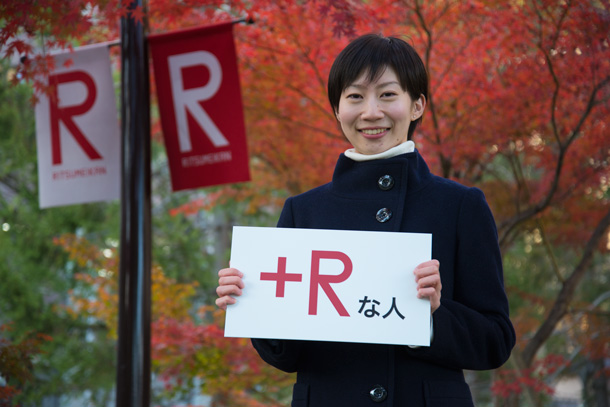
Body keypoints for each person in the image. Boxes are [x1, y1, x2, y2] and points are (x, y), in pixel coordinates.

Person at [216, 33, 515, 407]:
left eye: (388, 94)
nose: (371, 112)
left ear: (418, 104)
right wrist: (252, 301)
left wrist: (433, 314)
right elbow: (285, 356)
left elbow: (496, 340)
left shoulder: (460, 205)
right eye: (355, 96)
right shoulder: (303, 211)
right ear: (338, 108)